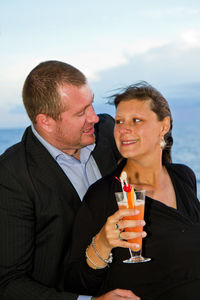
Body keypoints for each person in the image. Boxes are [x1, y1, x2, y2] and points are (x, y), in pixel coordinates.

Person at [0, 61, 141, 300]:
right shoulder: (11, 176)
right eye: (80, 113)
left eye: (91, 104)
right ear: (46, 121)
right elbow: (9, 284)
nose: (95, 117)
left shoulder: (108, 130)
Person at [67, 82, 200, 300]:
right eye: (119, 121)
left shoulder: (183, 177)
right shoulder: (102, 195)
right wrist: (102, 243)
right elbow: (75, 281)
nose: (123, 129)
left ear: (164, 126)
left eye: (136, 120)